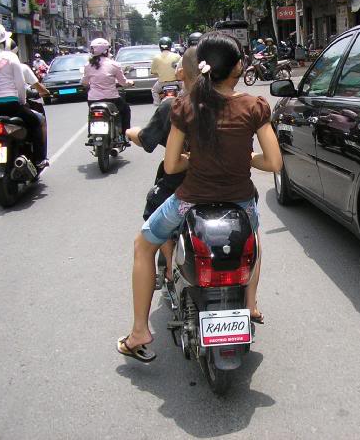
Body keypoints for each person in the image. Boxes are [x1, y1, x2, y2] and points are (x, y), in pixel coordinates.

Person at [116, 32, 282, 362]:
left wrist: (198, 159)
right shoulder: (254, 105)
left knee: (142, 245)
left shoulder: (184, 107)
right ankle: (249, 304)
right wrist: (246, 159)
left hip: (189, 201)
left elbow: (172, 163)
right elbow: (274, 162)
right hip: (240, 202)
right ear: (238, 68)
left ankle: (139, 331)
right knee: (255, 244)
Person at [125, 46, 199, 281]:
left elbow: (153, 146)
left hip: (181, 187)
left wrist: (129, 132)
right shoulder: (236, 105)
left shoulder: (174, 107)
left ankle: (168, 266)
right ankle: (252, 301)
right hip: (228, 186)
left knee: (144, 240)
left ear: (181, 74)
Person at [0, 23, 48, 167]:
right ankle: (40, 159)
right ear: (3, 41)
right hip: (11, 105)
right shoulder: (10, 57)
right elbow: (20, 84)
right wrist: (22, 102)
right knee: (37, 122)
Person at [81, 37, 134, 138]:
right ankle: (124, 136)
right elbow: (123, 83)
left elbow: (85, 82)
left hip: (93, 99)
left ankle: (91, 133)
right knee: (126, 110)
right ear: (106, 50)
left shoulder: (88, 65)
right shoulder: (114, 64)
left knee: (92, 114)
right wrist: (130, 83)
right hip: (111, 99)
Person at [150, 36, 181, 106]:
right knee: (186, 91)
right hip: (177, 82)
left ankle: (158, 105)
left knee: (154, 91)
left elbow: (153, 72)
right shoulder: (177, 56)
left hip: (162, 84)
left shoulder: (156, 58)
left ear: (160, 46)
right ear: (170, 46)